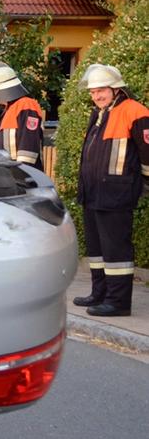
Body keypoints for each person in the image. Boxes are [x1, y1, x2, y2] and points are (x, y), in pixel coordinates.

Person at [74, 63, 149, 317]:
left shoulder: (135, 111)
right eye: (93, 92)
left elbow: (147, 154)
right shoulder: (99, 113)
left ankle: (118, 302)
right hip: (94, 193)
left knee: (116, 250)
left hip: (116, 195)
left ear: (115, 88)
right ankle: (100, 293)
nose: (96, 96)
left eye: (101, 90)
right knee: (96, 249)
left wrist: (144, 185)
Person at [0, 62, 44, 166]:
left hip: (22, 177)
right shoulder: (9, 110)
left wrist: (22, 174)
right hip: (8, 175)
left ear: (2, 89)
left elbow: (27, 150)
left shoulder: (26, 105)